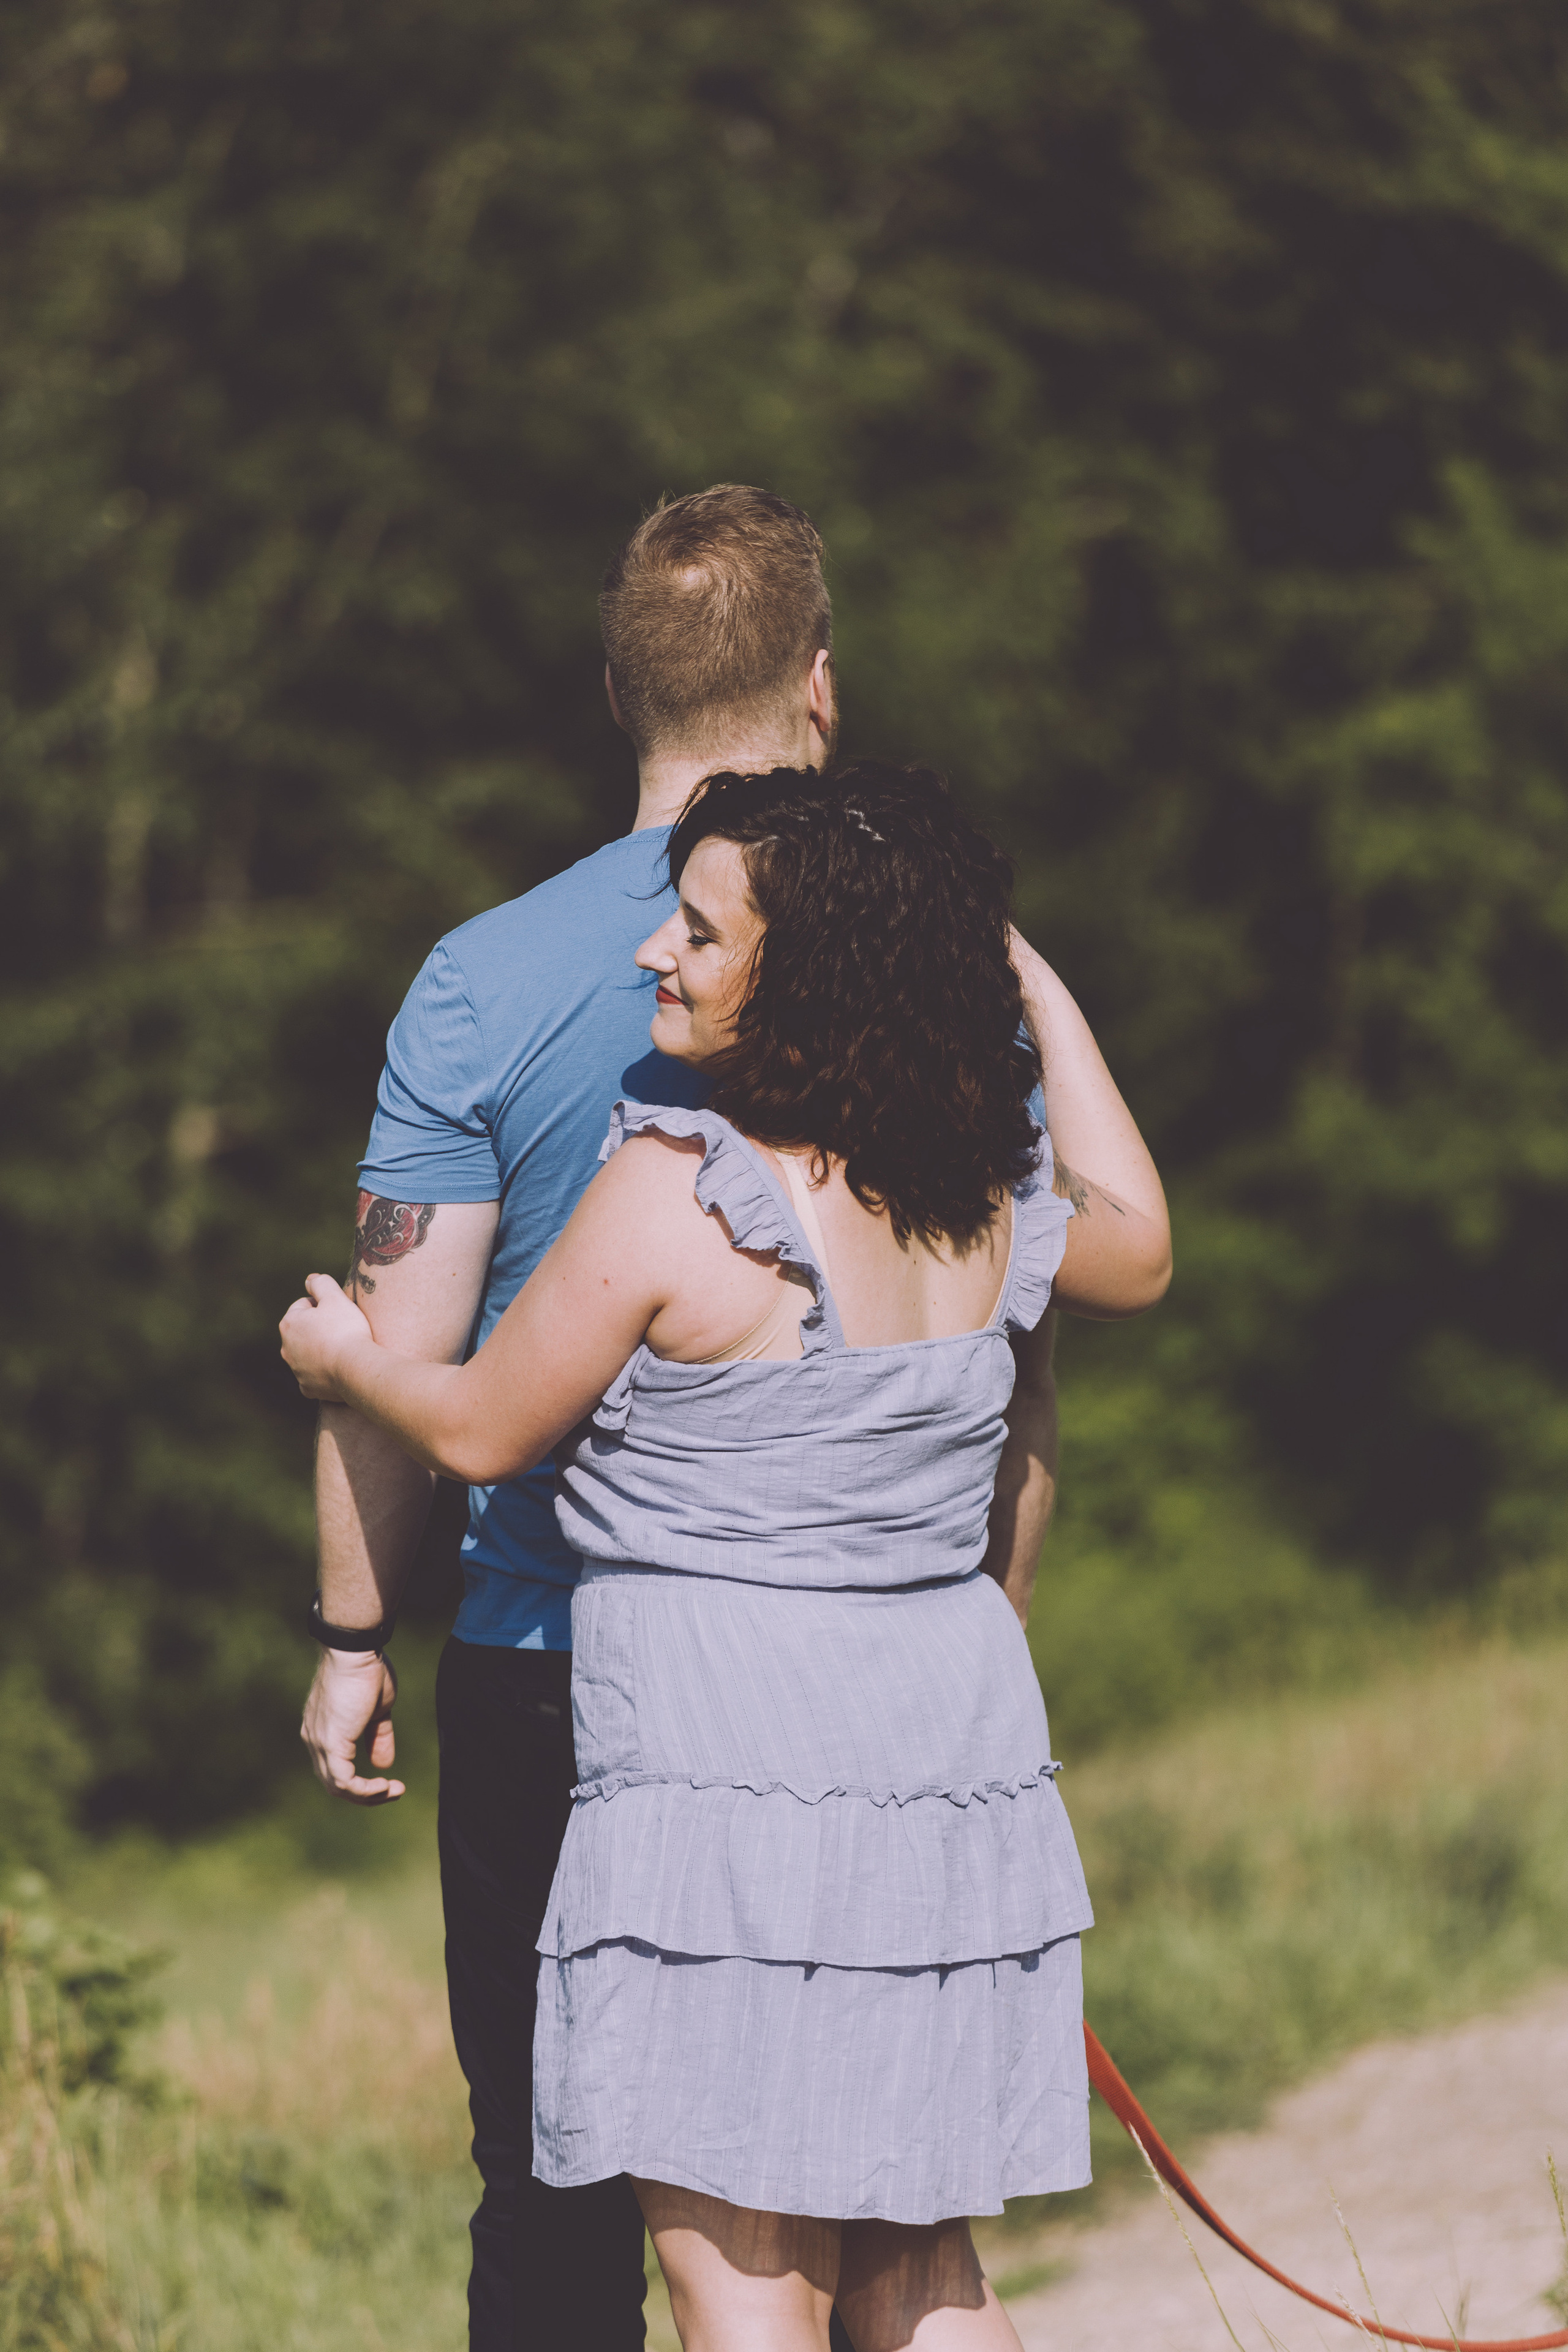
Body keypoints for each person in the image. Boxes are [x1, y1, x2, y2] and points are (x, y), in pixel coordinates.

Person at [282, 762, 1172, 2352]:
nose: (653, 957)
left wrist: (345, 1362)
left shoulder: (683, 1193)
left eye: (697, 932)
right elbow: (1145, 1240)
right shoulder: (975, 1179)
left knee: (742, 2281)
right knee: (920, 2271)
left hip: (728, 1771)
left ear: (806, 972)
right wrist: (1022, 966)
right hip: (941, 1758)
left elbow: (484, 1427)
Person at [301, 484, 840, 2351]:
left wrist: (354, 1633)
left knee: (551, 2190)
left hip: (548, 1662)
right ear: (818, 691)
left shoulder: (481, 977)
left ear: (619, 691)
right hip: (836, 1663)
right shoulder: (928, 962)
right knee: (836, 2193)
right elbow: (1003, 1350)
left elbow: (405, 1342)